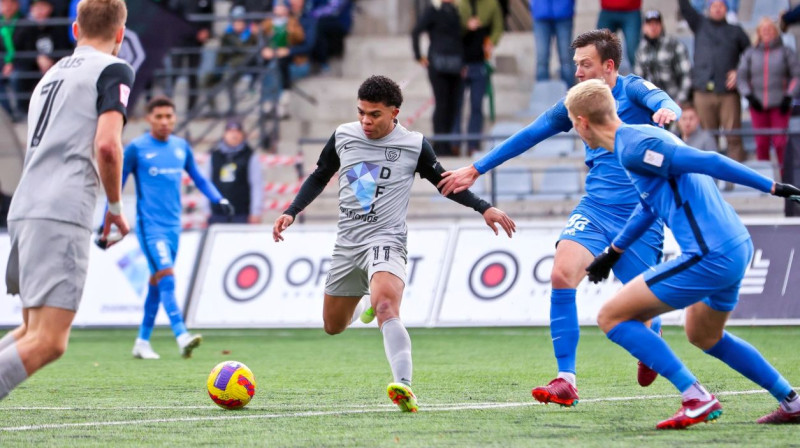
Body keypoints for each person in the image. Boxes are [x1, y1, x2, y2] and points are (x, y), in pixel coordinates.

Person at [438, 29, 682, 406]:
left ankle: (655, 332)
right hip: (596, 208)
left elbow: (662, 99)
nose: (579, 71)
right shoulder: (576, 103)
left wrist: (669, 111)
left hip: (642, 213)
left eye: (586, 64)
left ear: (609, 66)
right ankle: (565, 378)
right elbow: (531, 133)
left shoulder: (632, 90)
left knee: (641, 311)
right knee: (561, 274)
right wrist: (478, 168)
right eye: (576, 64)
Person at [272, 75, 516, 412]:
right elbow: (319, 175)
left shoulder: (414, 145)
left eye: (374, 115)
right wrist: (291, 211)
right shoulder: (343, 136)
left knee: (387, 306)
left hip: (386, 238)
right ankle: (362, 306)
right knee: (333, 326)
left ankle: (403, 385)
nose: (365, 121)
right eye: (361, 113)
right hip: (347, 243)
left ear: (394, 112)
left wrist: (484, 207)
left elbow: (444, 183)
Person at [566, 78, 800, 428]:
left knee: (611, 317)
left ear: (583, 122)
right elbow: (649, 205)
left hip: (709, 253)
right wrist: (613, 253)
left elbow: (708, 159)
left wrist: (773, 186)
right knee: (703, 335)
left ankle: (696, 396)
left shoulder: (633, 146)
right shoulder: (634, 141)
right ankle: (792, 401)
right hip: (735, 245)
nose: (574, 130)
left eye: (572, 123)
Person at [0, 0, 133, 401]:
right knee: (49, 342)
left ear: (74, 29)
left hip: (25, 207)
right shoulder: (113, 69)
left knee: (29, 331)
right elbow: (108, 146)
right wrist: (114, 207)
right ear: (120, 34)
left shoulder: (51, 74)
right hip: (62, 207)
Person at [121, 95, 234, 359]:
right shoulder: (136, 149)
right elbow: (116, 184)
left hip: (174, 227)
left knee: (156, 284)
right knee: (168, 278)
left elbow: (199, 178)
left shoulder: (180, 147)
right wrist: (108, 221)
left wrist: (220, 198)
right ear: (149, 118)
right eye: (158, 116)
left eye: (169, 116)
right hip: (150, 227)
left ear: (175, 118)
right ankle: (182, 335)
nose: (164, 121)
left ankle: (142, 341)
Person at [678, 0, 750, 162]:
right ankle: (710, 180)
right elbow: (685, 7)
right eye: (714, 6)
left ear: (727, 9)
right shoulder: (700, 24)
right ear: (708, 9)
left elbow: (751, 56)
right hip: (702, 91)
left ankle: (737, 181)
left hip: (728, 93)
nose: (717, 9)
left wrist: (739, 72)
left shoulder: (736, 31)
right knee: (707, 138)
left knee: (733, 137)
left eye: (721, 6)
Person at [737, 17, 800, 174]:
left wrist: (789, 96)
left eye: (770, 29)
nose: (767, 32)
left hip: (780, 106)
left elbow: (796, 75)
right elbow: (741, 76)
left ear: (776, 32)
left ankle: (786, 176)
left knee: (780, 143)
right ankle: (764, 178)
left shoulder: (786, 52)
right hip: (757, 106)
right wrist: (749, 96)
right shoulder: (750, 53)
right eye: (763, 29)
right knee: (761, 143)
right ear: (758, 33)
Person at [411, 0, 464, 156]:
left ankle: (446, 143)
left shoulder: (457, 12)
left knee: (453, 106)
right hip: (438, 65)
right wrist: (418, 56)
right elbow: (416, 31)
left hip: (456, 65)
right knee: (441, 104)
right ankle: (440, 144)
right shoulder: (433, 11)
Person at [456, 0, 504, 154]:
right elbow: (451, 30)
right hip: (460, 63)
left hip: (479, 63)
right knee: (457, 105)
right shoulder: (459, 5)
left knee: (477, 106)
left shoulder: (491, 4)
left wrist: (492, 41)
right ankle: (454, 143)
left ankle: (473, 144)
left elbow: (498, 27)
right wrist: (466, 26)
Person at [16, 0, 72, 114]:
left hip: (57, 65)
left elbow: (64, 49)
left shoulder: (58, 25)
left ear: (50, 8)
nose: (39, 11)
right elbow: (20, 49)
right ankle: (23, 112)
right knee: (18, 76)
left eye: (43, 7)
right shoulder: (25, 26)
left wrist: (52, 61)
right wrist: (37, 58)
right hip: (33, 67)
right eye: (36, 7)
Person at [202, 5, 258, 117]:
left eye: (241, 21)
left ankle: (232, 108)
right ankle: (213, 110)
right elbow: (221, 54)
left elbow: (248, 52)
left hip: (241, 67)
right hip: (226, 65)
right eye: (236, 21)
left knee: (229, 77)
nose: (238, 24)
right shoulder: (227, 35)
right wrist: (217, 68)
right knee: (207, 80)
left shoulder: (251, 35)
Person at [206, 118, 263, 224]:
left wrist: (256, 211)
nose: (234, 135)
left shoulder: (249, 156)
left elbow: (256, 185)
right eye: (231, 131)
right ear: (224, 134)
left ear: (242, 134)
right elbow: (206, 183)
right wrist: (206, 210)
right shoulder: (214, 156)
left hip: (241, 213)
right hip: (218, 213)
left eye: (237, 131)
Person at [633, 10, 692, 105]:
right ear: (644, 27)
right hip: (652, 103)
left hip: (674, 100)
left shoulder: (674, 45)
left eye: (656, 24)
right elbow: (638, 79)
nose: (653, 27)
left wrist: (680, 100)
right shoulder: (641, 49)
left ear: (661, 26)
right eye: (649, 24)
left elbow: (687, 74)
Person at [530, 0, 575, 87]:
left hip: (563, 11)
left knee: (566, 59)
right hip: (540, 12)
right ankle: (542, 95)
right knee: (541, 59)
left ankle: (570, 96)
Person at [596, 0, 641, 69]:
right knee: (601, 51)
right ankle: (601, 78)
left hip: (631, 9)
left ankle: (640, 77)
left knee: (633, 52)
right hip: (607, 9)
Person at [0, 0, 23, 120]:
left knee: (16, 77)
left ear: (17, 6)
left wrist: (11, 64)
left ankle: (19, 110)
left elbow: (26, 50)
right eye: (4, 4)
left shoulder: (24, 22)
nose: (7, 7)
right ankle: (7, 114)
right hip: (3, 64)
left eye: (10, 4)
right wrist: (5, 64)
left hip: (20, 64)